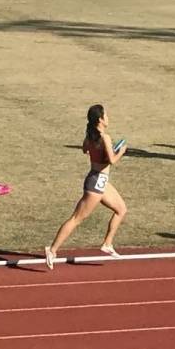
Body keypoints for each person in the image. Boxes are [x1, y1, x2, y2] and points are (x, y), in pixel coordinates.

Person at [45, 105, 128, 270]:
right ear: (100, 119)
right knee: (76, 218)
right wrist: (121, 151)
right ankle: (52, 249)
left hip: (99, 180)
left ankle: (107, 243)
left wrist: (97, 152)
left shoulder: (90, 137)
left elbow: (85, 149)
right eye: (106, 115)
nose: (108, 118)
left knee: (121, 209)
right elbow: (111, 160)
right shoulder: (105, 138)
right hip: (96, 182)